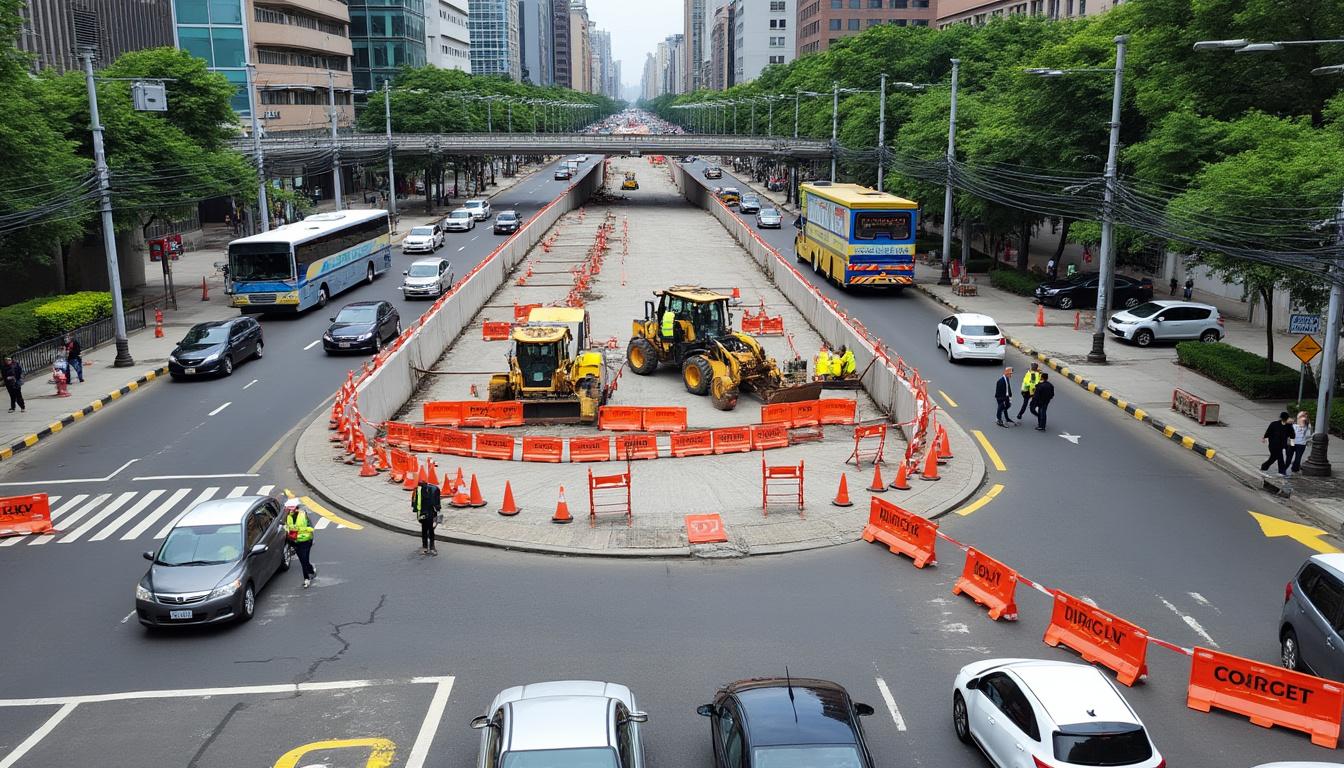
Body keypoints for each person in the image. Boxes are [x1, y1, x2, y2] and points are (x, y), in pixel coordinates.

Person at [283, 497, 317, 587]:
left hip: (306, 541)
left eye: (291, 508)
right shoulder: (288, 517)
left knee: (304, 560)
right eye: (288, 508)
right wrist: (287, 530)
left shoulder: (304, 515)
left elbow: (311, 528)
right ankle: (310, 572)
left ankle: (307, 578)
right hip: (295, 542)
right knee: (303, 561)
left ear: (295, 507)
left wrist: (312, 538)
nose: (289, 510)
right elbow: (287, 527)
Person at [412, 477, 442, 555]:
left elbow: (436, 503)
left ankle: (430, 546)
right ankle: (427, 546)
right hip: (424, 512)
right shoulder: (418, 490)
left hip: (429, 512)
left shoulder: (433, 490)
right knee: (426, 529)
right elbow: (415, 502)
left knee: (429, 530)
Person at [1261, 411, 1294, 478]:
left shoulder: (1289, 426)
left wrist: (1292, 445)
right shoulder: (1274, 424)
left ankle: (1265, 467)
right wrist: (1264, 437)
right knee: (1277, 457)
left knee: (1276, 457)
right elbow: (1268, 432)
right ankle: (1280, 471)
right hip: (1273, 444)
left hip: (1281, 445)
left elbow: (1292, 435)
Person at [1290, 411, 1312, 475]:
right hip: (1301, 443)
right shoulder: (1308, 425)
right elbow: (1308, 435)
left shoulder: (1293, 423)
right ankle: (1295, 468)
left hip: (1293, 442)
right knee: (1298, 457)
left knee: (1289, 455)